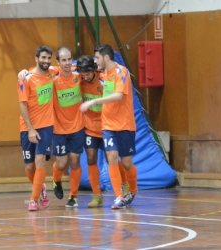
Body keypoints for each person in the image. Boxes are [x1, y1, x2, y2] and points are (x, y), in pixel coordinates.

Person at [80, 44, 138, 209]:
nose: (95, 61)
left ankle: (132, 189)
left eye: (97, 58)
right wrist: (26, 71)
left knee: (126, 162)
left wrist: (94, 101)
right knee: (111, 158)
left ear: (106, 57)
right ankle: (118, 196)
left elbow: (119, 96)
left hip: (125, 124)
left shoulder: (121, 72)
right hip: (108, 125)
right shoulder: (101, 73)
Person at [17, 45, 58, 211]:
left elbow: (70, 66)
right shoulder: (25, 79)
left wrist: (97, 66)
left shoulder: (53, 72)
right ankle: (40, 188)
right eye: (43, 58)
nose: (46, 61)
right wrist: (30, 129)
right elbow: (22, 104)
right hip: (27, 127)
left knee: (40, 160)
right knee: (29, 166)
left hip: (46, 125)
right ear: (36, 59)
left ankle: (33, 200)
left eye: (49, 58)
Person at [51, 46, 84, 208]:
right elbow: (35, 72)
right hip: (59, 130)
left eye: (69, 59)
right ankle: (56, 180)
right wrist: (23, 72)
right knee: (62, 163)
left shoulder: (79, 76)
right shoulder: (53, 79)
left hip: (77, 127)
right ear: (58, 62)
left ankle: (73, 196)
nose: (67, 63)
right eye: (63, 60)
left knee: (75, 161)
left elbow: (95, 71)